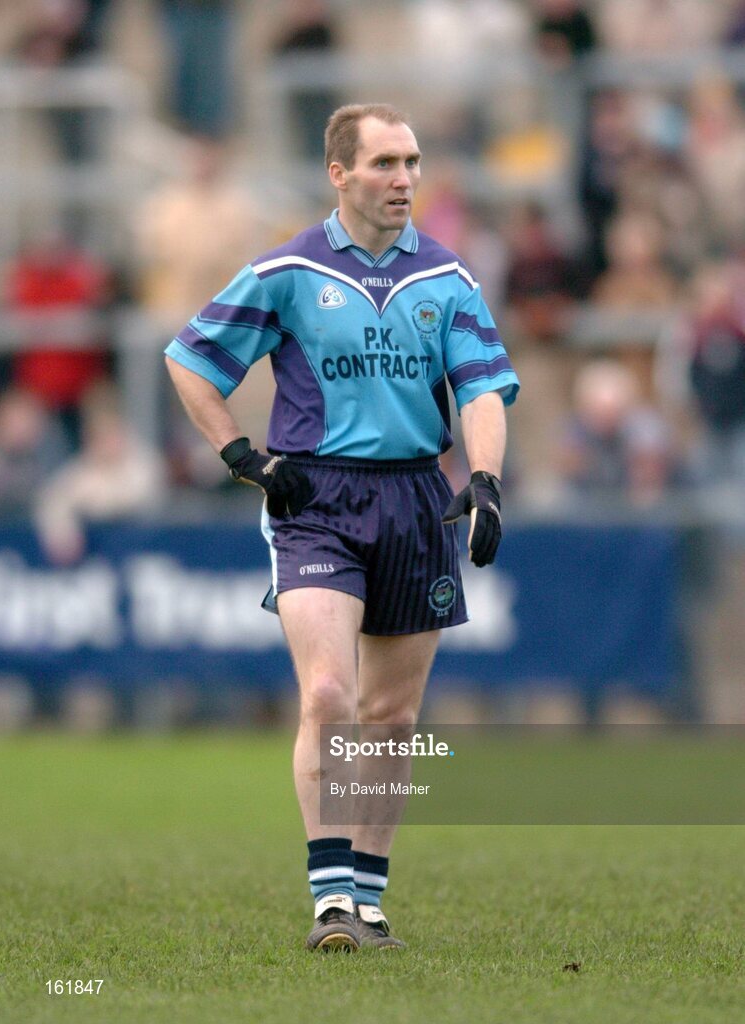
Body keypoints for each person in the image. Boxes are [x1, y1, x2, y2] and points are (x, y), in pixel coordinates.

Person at [164, 103, 519, 952]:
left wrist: (485, 479)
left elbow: (479, 387)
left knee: (392, 718)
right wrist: (241, 455)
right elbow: (189, 358)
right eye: (385, 163)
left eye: (412, 161)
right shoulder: (286, 268)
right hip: (313, 499)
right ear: (339, 173)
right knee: (328, 695)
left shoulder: (447, 279)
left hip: (413, 500)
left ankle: (368, 899)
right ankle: (328, 900)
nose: (404, 179)